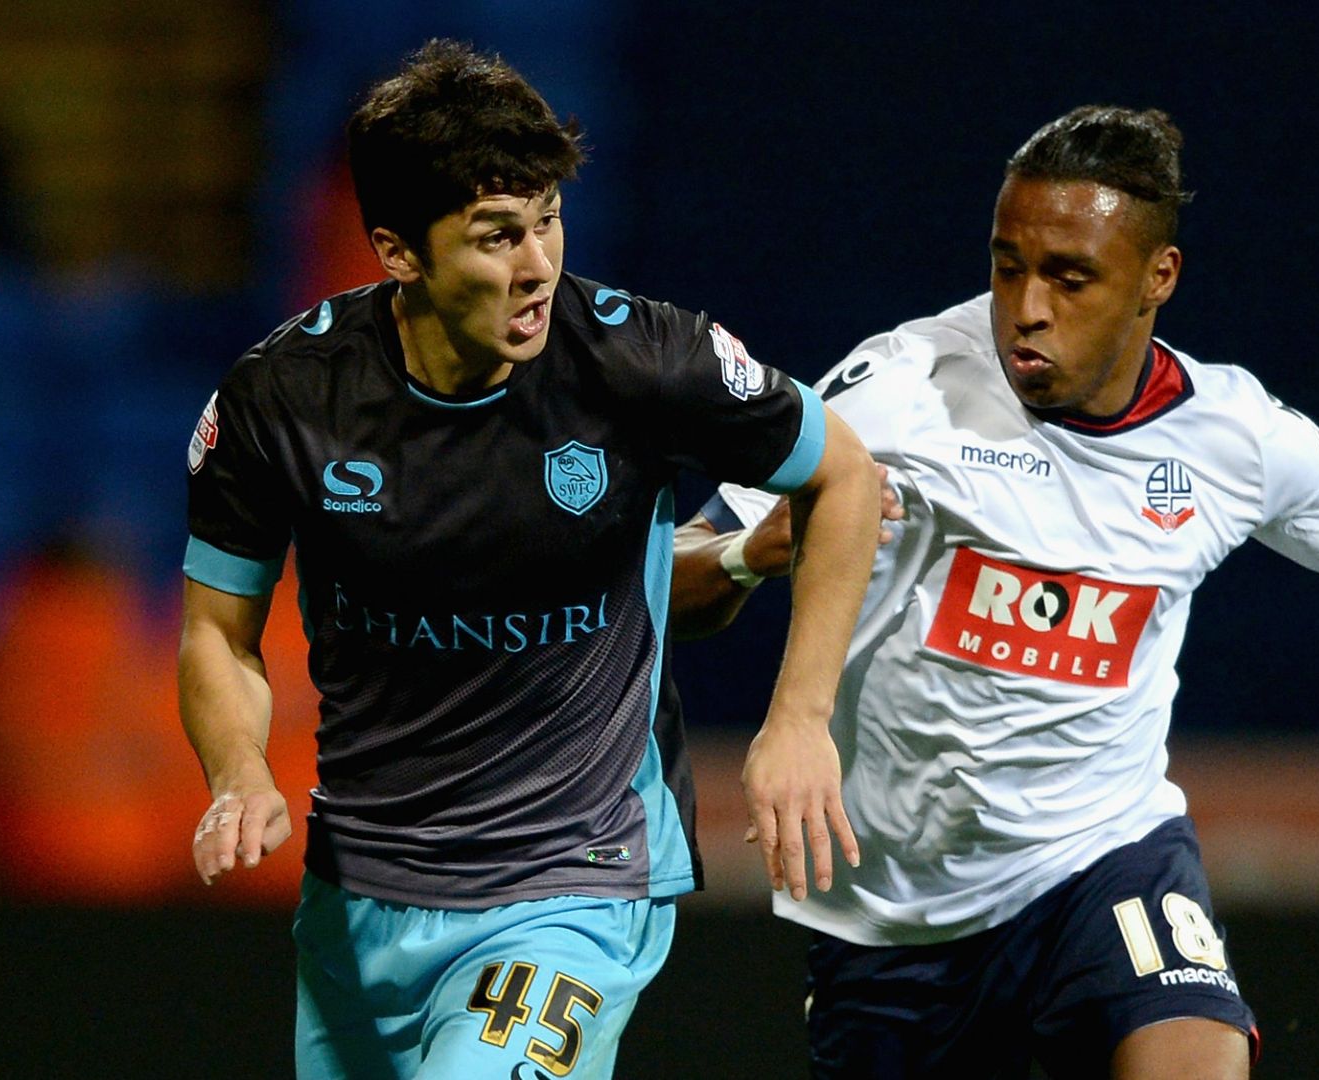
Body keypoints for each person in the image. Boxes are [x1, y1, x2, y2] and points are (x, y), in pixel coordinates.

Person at [675, 105, 1319, 1079]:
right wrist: (741, 559)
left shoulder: (1241, 438)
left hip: (1105, 860)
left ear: (1159, 279)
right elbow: (676, 573)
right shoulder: (901, 386)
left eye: (1069, 277)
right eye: (1007, 263)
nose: (1025, 306)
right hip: (895, 925)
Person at [178, 40, 882, 1079]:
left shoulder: (640, 358)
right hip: (360, 898)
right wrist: (237, 771)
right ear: (398, 251)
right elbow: (215, 631)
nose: (538, 264)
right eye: (497, 236)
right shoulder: (281, 401)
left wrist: (801, 720)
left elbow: (846, 477)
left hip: (574, 885)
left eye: (547, 220)